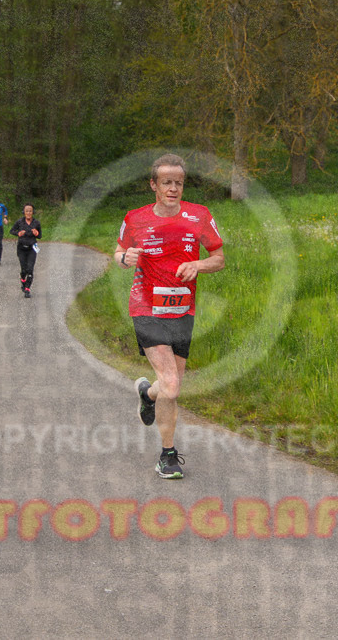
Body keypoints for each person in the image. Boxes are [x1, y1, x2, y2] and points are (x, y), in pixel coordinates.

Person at [114, 154, 224, 479]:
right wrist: (126, 257)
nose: (173, 188)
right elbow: (119, 251)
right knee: (173, 386)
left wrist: (198, 265)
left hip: (182, 309)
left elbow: (218, 258)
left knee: (168, 386)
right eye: (166, 182)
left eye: (178, 182)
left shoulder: (199, 216)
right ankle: (168, 456)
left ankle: (148, 395)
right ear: (154, 185)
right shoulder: (135, 219)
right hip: (145, 307)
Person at [9, 204, 41, 298]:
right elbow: (12, 231)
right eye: (27, 211)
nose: (28, 213)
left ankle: (27, 289)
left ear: (33, 212)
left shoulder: (36, 223)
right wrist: (18, 233)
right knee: (24, 270)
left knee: (30, 269)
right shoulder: (20, 222)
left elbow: (40, 236)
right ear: (24, 212)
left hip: (32, 248)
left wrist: (37, 233)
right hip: (22, 248)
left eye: (30, 211)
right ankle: (23, 279)